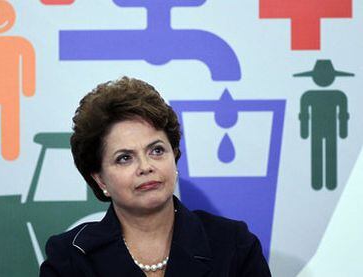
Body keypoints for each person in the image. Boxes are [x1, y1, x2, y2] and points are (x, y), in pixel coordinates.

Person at [39, 77, 271, 276]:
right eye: (124, 158)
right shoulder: (70, 258)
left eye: (157, 150)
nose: (145, 166)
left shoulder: (233, 245)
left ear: (174, 156)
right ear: (100, 180)